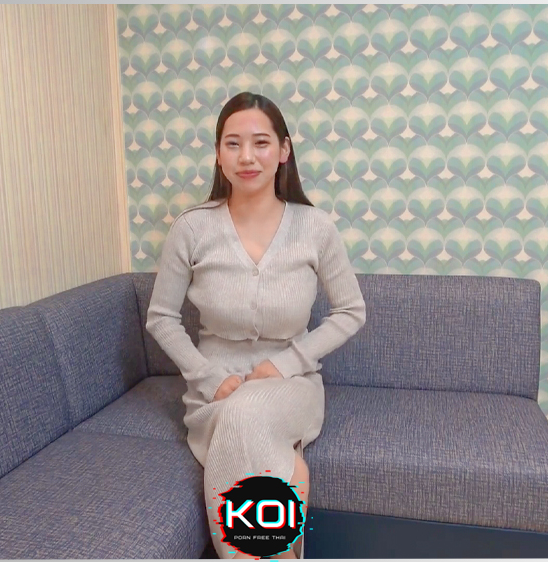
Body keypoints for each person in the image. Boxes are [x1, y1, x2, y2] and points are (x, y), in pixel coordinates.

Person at [145, 92, 366, 559]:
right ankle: (285, 489)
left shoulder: (315, 227)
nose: (247, 156)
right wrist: (209, 377)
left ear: (284, 150)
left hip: (292, 385)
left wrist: (288, 362)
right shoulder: (191, 229)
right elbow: (161, 317)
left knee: (246, 414)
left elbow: (351, 310)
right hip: (213, 393)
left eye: (261, 143)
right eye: (233, 144)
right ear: (218, 154)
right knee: (260, 442)